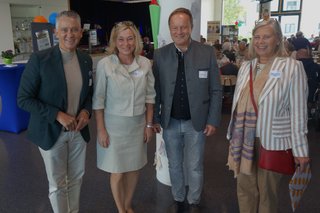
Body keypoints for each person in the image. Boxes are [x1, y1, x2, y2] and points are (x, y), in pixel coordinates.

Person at [226, 18, 310, 213]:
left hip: (272, 141)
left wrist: (300, 149)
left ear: (278, 39)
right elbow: (237, 104)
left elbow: (298, 112)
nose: (260, 42)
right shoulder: (246, 67)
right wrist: (231, 134)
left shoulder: (291, 68)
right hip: (243, 140)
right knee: (244, 190)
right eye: (257, 37)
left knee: (267, 195)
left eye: (266, 37)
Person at [17, 10, 93, 213]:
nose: (70, 34)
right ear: (55, 32)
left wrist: (86, 111)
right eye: (65, 29)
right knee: (58, 184)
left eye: (75, 29)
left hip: (78, 131)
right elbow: (23, 99)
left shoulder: (86, 60)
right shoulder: (40, 59)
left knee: (76, 178)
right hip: (51, 132)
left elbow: (89, 93)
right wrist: (57, 115)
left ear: (80, 32)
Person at [153, 8, 222, 213]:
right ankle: (178, 198)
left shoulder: (206, 52)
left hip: (197, 122)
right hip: (170, 122)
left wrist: (213, 120)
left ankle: (194, 201)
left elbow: (216, 90)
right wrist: (154, 118)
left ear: (191, 27)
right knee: (174, 164)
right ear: (170, 29)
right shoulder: (160, 55)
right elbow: (154, 90)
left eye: (184, 27)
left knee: (194, 165)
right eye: (175, 27)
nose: (180, 31)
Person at [92, 21, 155, 213]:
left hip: (137, 125)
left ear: (136, 40)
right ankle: (121, 209)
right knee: (118, 171)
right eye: (121, 39)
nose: (126, 43)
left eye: (130, 38)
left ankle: (128, 204)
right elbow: (99, 100)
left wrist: (148, 125)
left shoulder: (144, 64)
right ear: (114, 41)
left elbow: (150, 97)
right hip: (114, 126)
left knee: (134, 169)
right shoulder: (105, 64)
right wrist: (101, 130)